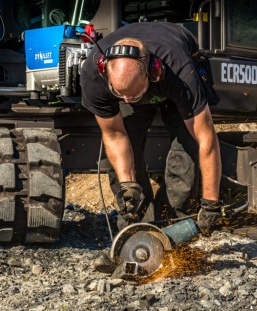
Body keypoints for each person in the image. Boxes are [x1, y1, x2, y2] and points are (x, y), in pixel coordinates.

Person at [80, 21, 223, 239]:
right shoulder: (93, 77)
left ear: (152, 73)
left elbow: (206, 140)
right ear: (105, 71)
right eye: (120, 94)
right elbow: (115, 135)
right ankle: (138, 224)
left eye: (134, 95)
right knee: (127, 145)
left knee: (187, 145)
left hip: (173, 74)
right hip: (141, 81)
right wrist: (128, 185)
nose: (127, 100)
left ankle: (175, 221)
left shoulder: (180, 72)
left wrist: (211, 204)